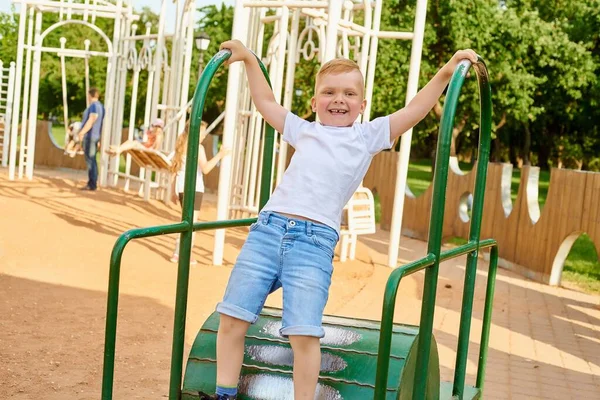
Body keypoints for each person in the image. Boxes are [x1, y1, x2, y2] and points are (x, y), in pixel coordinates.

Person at [199, 39, 478, 400]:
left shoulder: (367, 136)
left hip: (313, 242)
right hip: (268, 231)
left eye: (349, 93)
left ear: (362, 106)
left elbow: (414, 110)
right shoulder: (305, 130)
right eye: (329, 92)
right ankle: (224, 396)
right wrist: (250, 59)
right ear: (315, 102)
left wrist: (445, 71)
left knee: (303, 332)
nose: (339, 100)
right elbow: (265, 102)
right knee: (233, 318)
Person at [169, 120, 230, 264]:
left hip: (181, 187)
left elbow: (174, 170)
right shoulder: (198, 147)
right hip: (194, 188)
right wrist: (220, 155)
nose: (204, 135)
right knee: (192, 224)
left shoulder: (181, 146)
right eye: (203, 131)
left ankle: (179, 252)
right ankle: (182, 253)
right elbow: (206, 168)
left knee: (186, 221)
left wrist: (172, 191)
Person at [78, 87, 105, 191]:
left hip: (90, 136)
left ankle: (92, 183)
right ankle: (93, 182)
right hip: (96, 136)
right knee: (92, 159)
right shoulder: (101, 107)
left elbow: (92, 119)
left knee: (90, 160)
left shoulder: (94, 106)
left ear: (90, 95)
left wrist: (82, 132)